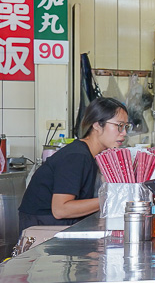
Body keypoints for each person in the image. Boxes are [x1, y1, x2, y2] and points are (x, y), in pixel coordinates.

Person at [18, 97, 129, 230]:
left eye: (126, 127)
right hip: (43, 231)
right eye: (120, 126)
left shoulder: (90, 155)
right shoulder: (76, 156)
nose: (124, 133)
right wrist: (111, 200)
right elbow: (61, 209)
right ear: (97, 124)